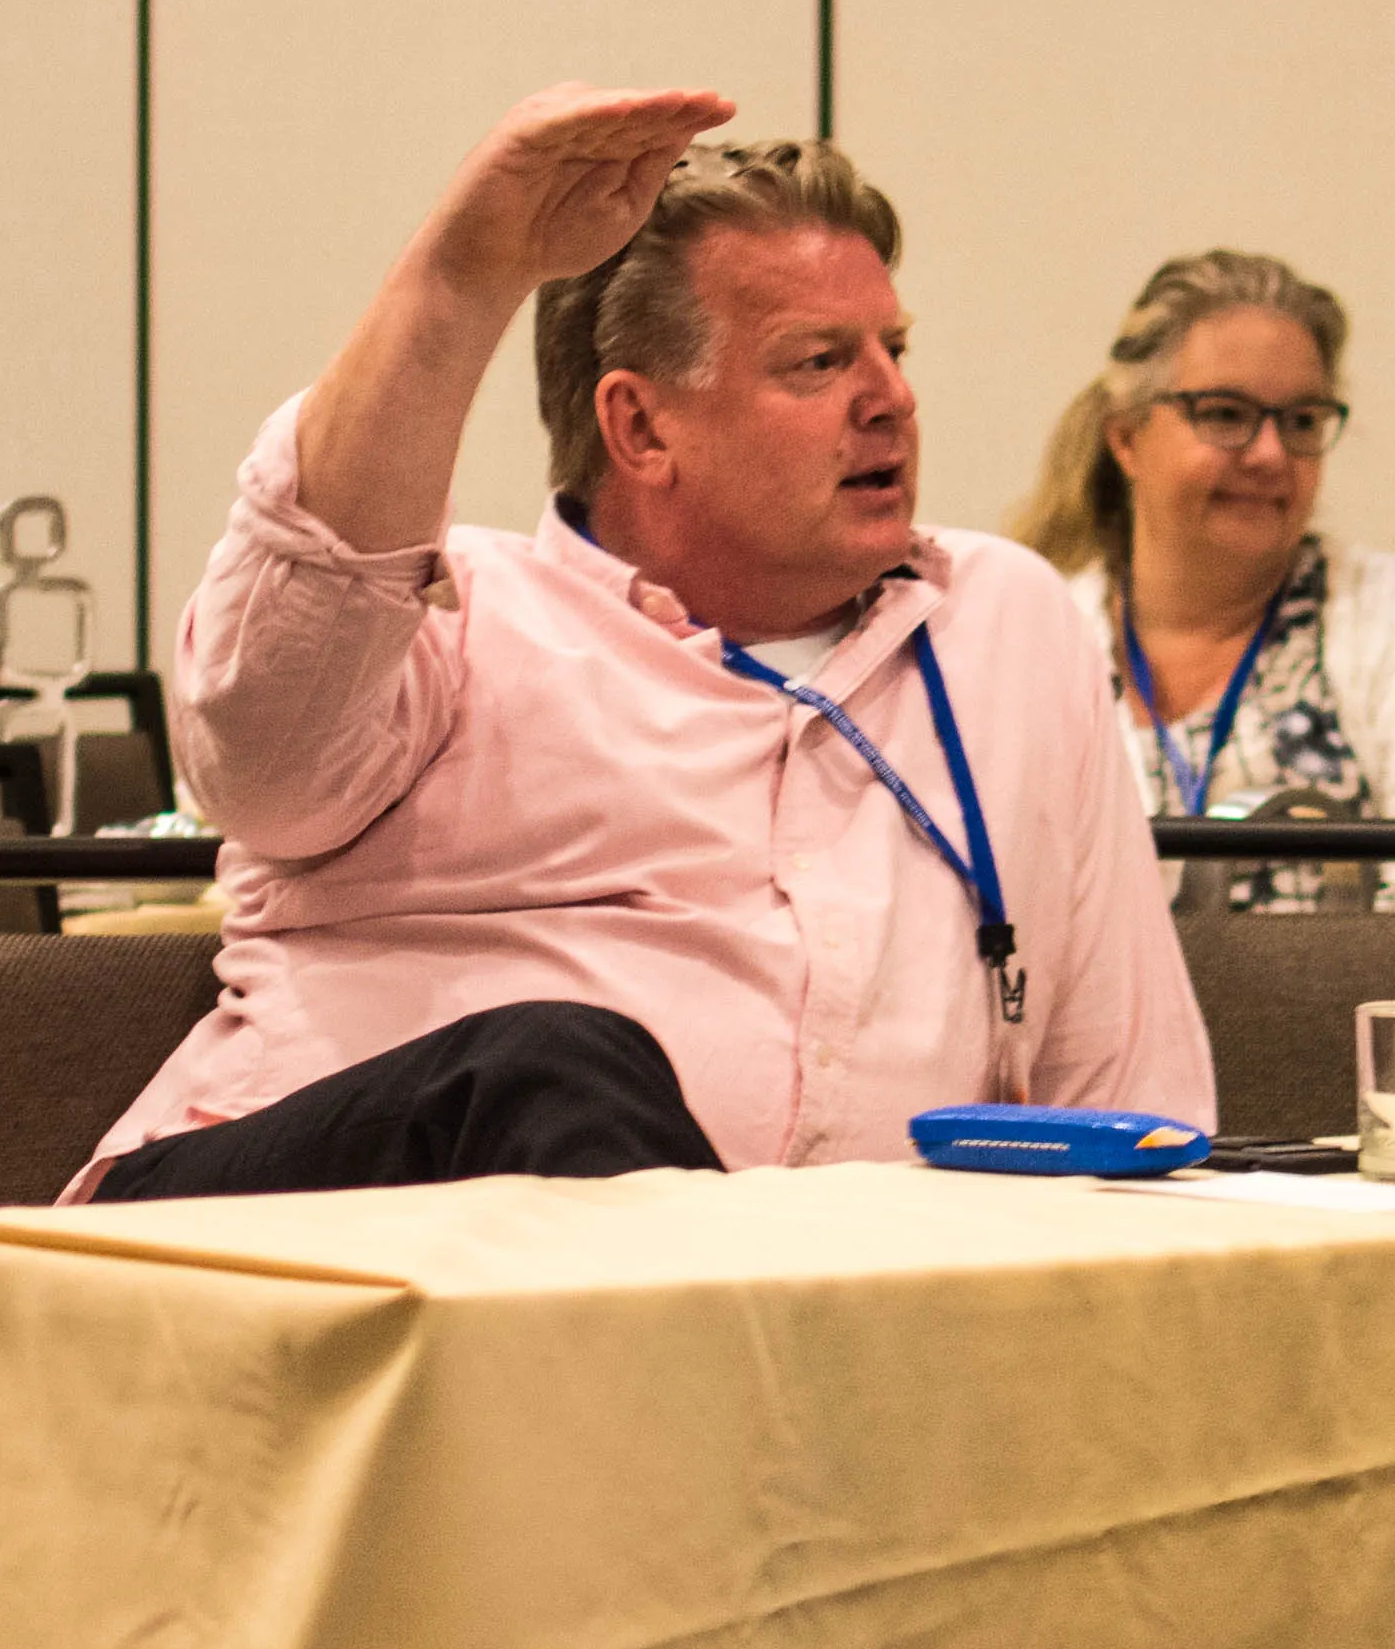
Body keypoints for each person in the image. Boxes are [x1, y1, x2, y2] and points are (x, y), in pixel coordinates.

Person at [84, 87, 1211, 1197]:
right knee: (549, 1067)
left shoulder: (1003, 625)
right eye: (818, 362)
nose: (891, 400)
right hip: (280, 1256)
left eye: (895, 351)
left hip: (787, 1313)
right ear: (640, 425)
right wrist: (460, 279)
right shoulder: (451, 623)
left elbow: (1129, 1100)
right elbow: (258, 761)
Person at [1012, 251, 1395, 829]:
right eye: (1224, 413)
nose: (1270, 454)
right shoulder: (1038, 641)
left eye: (1301, 421)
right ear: (1127, 439)